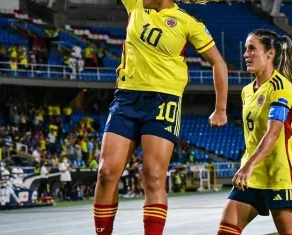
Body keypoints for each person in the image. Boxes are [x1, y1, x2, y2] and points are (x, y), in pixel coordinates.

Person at [93, 0, 228, 234]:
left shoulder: (188, 22)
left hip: (164, 101)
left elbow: (218, 63)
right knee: (106, 173)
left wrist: (221, 109)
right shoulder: (134, 3)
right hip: (126, 98)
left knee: (154, 176)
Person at [217, 29, 292, 235]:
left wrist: (247, 166)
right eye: (246, 50)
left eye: (252, 49)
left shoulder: (281, 87)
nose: (246, 55)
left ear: (270, 53)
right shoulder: (247, 91)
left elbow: (273, 133)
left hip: (279, 177)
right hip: (252, 178)